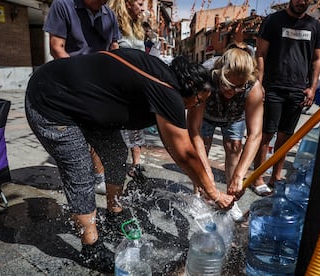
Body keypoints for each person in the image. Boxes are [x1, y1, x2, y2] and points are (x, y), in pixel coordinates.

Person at [24, 48, 235, 272]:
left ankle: (115, 212)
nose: (194, 107)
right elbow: (184, 153)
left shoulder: (165, 81)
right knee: (80, 169)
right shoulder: (166, 89)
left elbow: (178, 147)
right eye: (196, 102)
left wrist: (203, 182)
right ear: (190, 87)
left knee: (116, 151)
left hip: (83, 104)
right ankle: (91, 247)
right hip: (48, 100)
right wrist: (213, 193)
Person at [43, 0, 121, 194]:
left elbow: (114, 47)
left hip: (100, 85)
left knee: (100, 130)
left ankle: (99, 176)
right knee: (75, 136)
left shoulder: (109, 14)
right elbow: (56, 47)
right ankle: (79, 180)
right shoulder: (63, 5)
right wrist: (82, 79)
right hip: (70, 83)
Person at [252, 0, 320, 196]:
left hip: (298, 90)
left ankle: (276, 176)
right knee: (267, 134)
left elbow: (317, 59)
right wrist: (259, 82)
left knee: (286, 136)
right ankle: (257, 177)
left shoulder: (314, 26)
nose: (302, 2)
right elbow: (261, 53)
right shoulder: (273, 21)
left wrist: (312, 87)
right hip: (273, 87)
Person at [188, 48, 264, 221]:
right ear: (220, 74)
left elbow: (255, 135)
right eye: (228, 85)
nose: (233, 92)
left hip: (234, 116)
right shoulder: (205, 76)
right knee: (203, 145)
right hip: (206, 112)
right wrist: (206, 172)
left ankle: (232, 198)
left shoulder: (253, 86)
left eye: (239, 87)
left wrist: (240, 175)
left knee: (234, 147)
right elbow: (194, 130)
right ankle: (198, 194)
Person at [108, 0, 148, 182]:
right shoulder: (113, 22)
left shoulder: (138, 26)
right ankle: (114, 166)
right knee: (118, 125)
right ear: (127, 3)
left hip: (136, 83)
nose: (142, 7)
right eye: (139, 3)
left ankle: (136, 164)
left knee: (136, 124)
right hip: (118, 82)